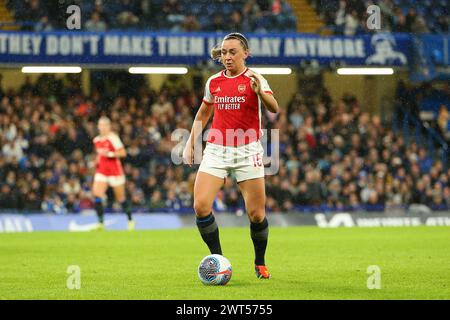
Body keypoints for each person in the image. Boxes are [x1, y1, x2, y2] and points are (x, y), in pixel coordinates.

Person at [182, 33, 279, 279]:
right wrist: (190, 143)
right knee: (201, 206)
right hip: (217, 149)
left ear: (245, 53)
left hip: (248, 150)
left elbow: (274, 108)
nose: (227, 56)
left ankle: (260, 261)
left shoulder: (255, 78)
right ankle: (219, 260)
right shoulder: (214, 82)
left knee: (256, 214)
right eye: (224, 52)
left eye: (232, 52)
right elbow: (202, 114)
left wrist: (261, 93)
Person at [92, 116, 135, 230]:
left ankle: (130, 220)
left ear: (109, 126)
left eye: (105, 125)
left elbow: (123, 153)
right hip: (102, 171)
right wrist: (96, 162)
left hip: (115, 171)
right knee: (97, 194)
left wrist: (110, 154)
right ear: (98, 127)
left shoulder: (113, 138)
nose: (102, 127)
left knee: (121, 198)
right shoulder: (96, 140)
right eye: (100, 125)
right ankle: (101, 223)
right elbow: (99, 154)